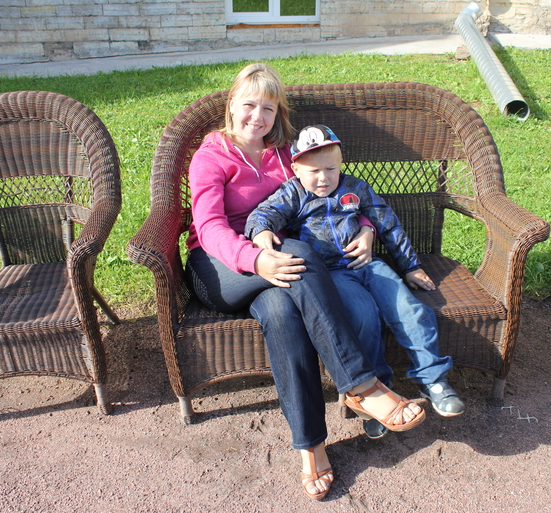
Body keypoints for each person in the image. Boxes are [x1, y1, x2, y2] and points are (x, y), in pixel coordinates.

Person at [184, 63, 426, 501]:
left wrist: (366, 227)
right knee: (301, 255)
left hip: (278, 266)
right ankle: (362, 385)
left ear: (278, 113)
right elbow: (210, 227)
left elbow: (332, 197)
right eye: (249, 105)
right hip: (218, 267)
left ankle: (310, 447)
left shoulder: (286, 155)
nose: (258, 117)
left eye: (268, 108)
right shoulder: (211, 156)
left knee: (283, 316)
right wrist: (255, 259)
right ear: (231, 105)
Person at [245, 124, 465, 439]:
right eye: (314, 171)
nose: (323, 178)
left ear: (341, 164)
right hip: (332, 274)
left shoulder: (355, 188)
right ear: (295, 169)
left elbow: (387, 223)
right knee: (363, 317)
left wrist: (411, 267)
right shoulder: (293, 193)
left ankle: (434, 379)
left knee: (411, 310)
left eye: (331, 169)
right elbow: (261, 215)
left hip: (369, 265)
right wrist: (262, 231)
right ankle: (377, 394)